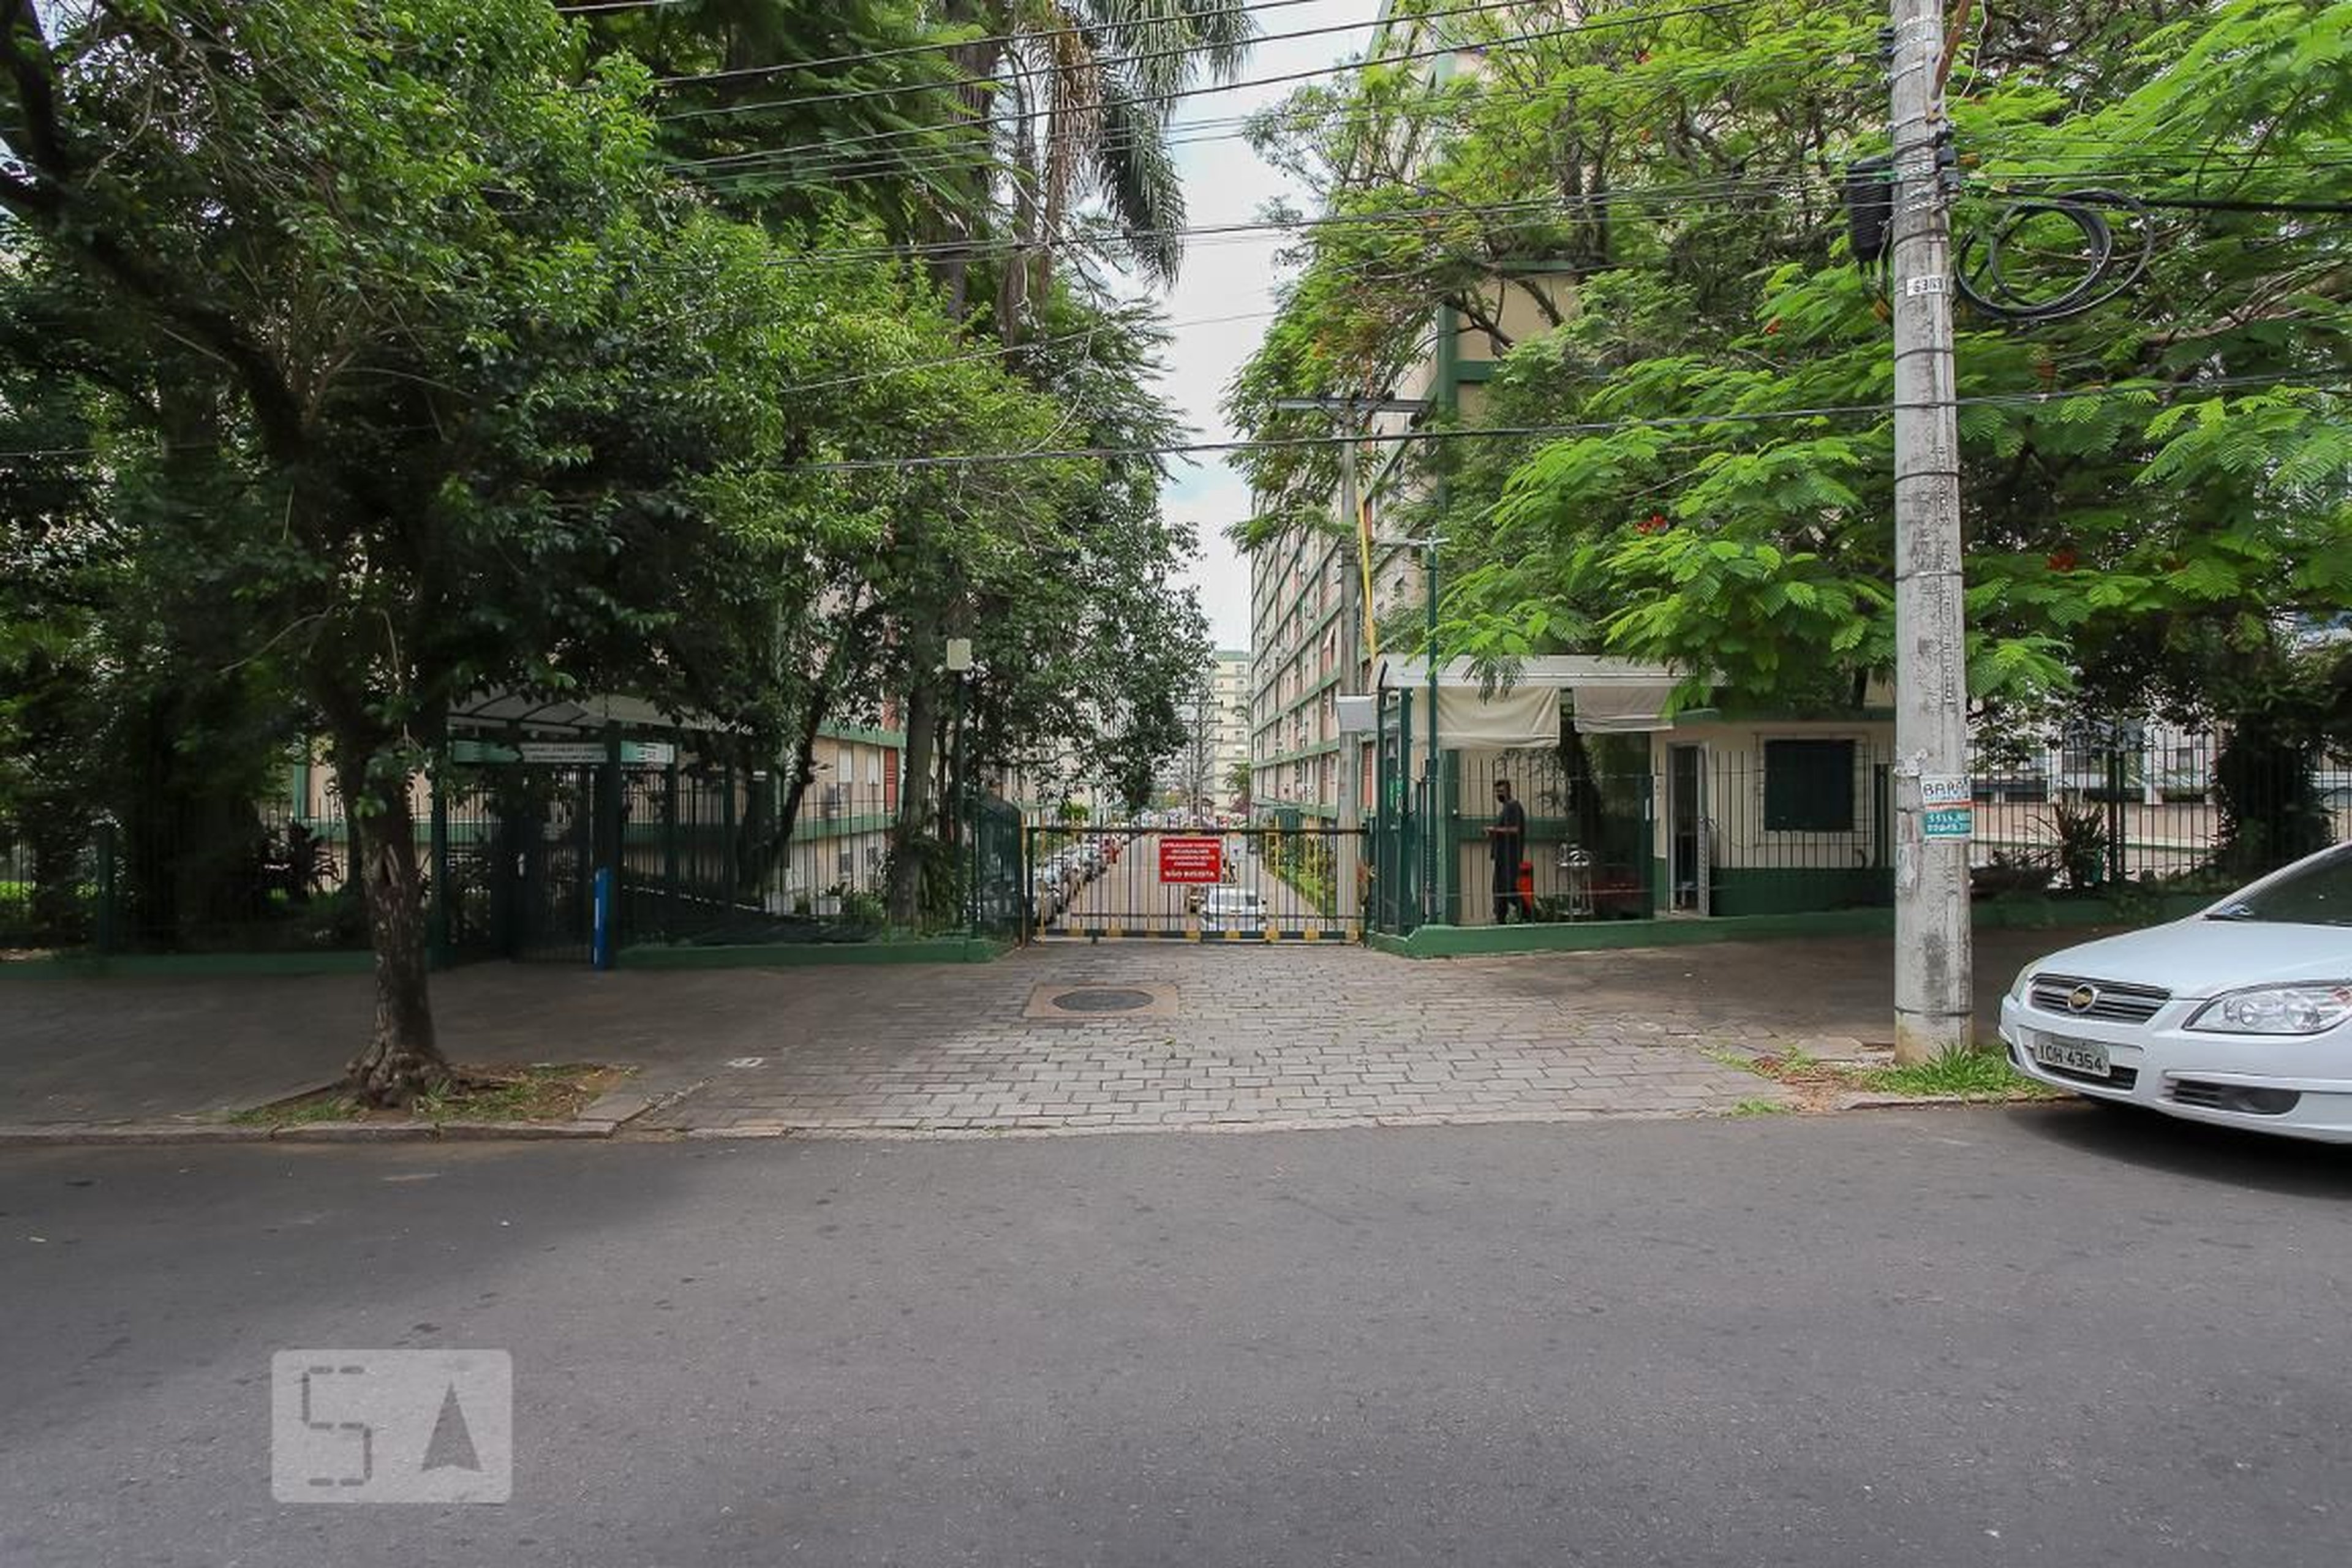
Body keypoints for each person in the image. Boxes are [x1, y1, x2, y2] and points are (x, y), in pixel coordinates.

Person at [1487, 778, 1527, 924]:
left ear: (1509, 791)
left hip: (1510, 855)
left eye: (1502, 791)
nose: (1499, 794)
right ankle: (1500, 918)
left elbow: (1515, 829)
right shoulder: (1506, 808)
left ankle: (1527, 912)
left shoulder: (1513, 806)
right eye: (1497, 791)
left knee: (1508, 888)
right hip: (1502, 855)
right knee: (1499, 888)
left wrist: (1494, 830)